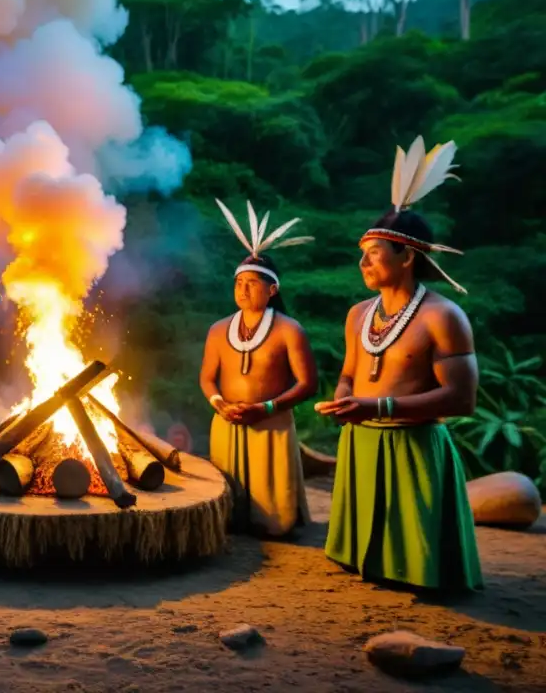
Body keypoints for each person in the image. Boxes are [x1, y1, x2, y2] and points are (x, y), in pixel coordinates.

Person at [316, 136, 482, 592]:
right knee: (364, 559)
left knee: (417, 565)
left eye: (373, 253)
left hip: (413, 446)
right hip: (361, 442)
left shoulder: (444, 317)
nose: (362, 262)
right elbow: (350, 372)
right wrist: (344, 397)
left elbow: (462, 399)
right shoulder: (357, 315)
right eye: (362, 253)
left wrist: (380, 409)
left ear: (407, 256)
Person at [200, 199, 318, 537]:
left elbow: (308, 383)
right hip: (228, 420)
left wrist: (266, 407)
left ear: (272, 289)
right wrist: (219, 404)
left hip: (272, 422)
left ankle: (275, 521)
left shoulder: (289, 329)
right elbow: (207, 377)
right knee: (230, 512)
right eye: (239, 282)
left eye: (252, 283)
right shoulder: (219, 329)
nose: (243, 289)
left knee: (274, 523)